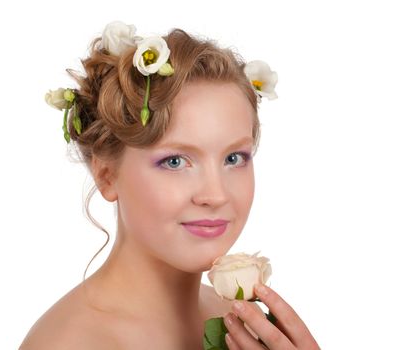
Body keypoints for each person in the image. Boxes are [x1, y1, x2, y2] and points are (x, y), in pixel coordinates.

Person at [19, 21, 319, 350]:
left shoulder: (238, 322)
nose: (215, 195)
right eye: (175, 162)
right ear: (106, 175)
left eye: (234, 158)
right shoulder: (70, 343)